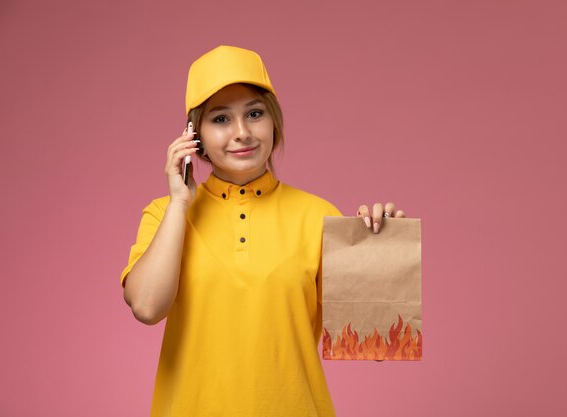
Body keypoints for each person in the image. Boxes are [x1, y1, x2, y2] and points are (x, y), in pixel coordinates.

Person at [120, 45, 406, 417]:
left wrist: (383, 255)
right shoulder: (165, 216)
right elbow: (146, 307)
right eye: (220, 119)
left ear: (273, 122)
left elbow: (376, 342)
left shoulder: (319, 216)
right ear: (195, 136)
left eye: (254, 114)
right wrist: (178, 202)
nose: (242, 133)